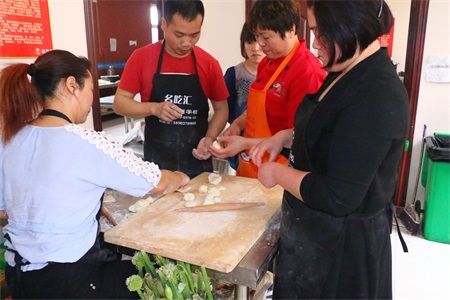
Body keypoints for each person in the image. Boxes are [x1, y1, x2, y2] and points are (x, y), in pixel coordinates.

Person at [249, 0, 410, 298]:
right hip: (313, 237)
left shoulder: (377, 93)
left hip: (341, 252)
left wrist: (278, 173)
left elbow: (339, 196)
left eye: (320, 33)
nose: (314, 44)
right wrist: (284, 137)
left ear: (350, 27)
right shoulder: (343, 71)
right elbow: (330, 130)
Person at [0, 50, 189, 299]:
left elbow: (5, 210)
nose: (93, 98)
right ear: (71, 85)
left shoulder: (10, 138)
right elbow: (156, 182)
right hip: (68, 282)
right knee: (156, 274)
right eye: (90, 87)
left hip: (20, 276)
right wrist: (181, 177)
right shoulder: (87, 142)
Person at [209, 0, 326, 178]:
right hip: (253, 163)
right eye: (257, 36)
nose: (260, 44)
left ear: (291, 30)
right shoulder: (267, 62)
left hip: (282, 171)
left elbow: (300, 138)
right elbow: (259, 110)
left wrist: (245, 143)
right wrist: (238, 124)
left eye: (266, 37)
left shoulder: (306, 72)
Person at [113, 0, 229, 179]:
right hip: (157, 164)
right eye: (179, 34)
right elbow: (119, 104)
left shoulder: (209, 64)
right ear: (164, 24)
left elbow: (222, 109)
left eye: (194, 35)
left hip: (196, 162)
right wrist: (153, 108)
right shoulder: (141, 58)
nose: (186, 43)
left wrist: (210, 137)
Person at [223, 22, 265, 171]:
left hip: (269, 144)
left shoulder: (277, 75)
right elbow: (226, 111)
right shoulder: (233, 74)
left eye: (259, 41)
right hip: (240, 143)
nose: (255, 48)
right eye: (249, 42)